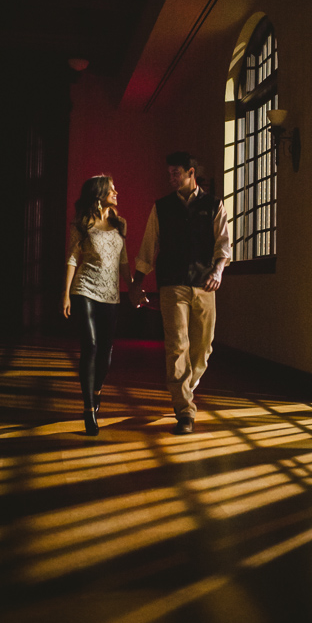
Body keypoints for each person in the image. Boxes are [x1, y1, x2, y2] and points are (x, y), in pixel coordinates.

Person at [129, 151, 231, 434]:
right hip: (172, 284)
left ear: (190, 173)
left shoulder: (213, 205)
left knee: (203, 347)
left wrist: (218, 271)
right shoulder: (161, 207)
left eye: (176, 173)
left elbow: (223, 245)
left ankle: (184, 386)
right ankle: (184, 409)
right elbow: (148, 248)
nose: (171, 179)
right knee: (177, 346)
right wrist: (137, 283)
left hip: (204, 284)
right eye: (169, 174)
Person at [62, 175, 133, 435]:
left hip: (111, 295)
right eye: (111, 189)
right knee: (90, 345)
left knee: (106, 353)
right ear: (98, 193)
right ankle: (89, 408)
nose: (116, 191)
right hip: (85, 290)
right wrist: (66, 294)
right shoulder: (81, 224)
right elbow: (72, 258)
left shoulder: (118, 224)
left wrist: (134, 289)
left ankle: (97, 391)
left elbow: (123, 261)